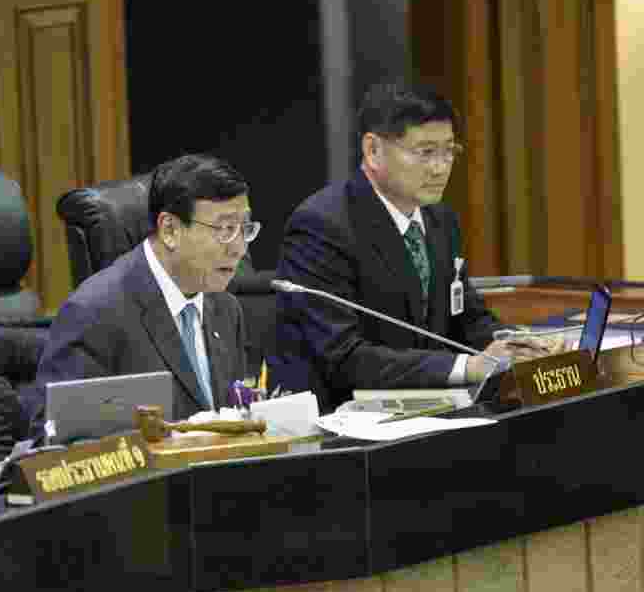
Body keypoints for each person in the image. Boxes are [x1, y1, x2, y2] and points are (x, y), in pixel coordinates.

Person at [272, 81, 548, 412]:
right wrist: (468, 366)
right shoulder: (322, 225)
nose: (440, 166)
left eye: (449, 151)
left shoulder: (440, 220)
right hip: (340, 425)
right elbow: (343, 356)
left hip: (428, 410)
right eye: (426, 152)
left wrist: (515, 344)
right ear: (373, 150)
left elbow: (466, 318)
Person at [33, 153, 256, 424]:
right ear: (170, 230)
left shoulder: (225, 308)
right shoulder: (95, 311)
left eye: (243, 228)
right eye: (224, 229)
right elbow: (55, 437)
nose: (239, 248)